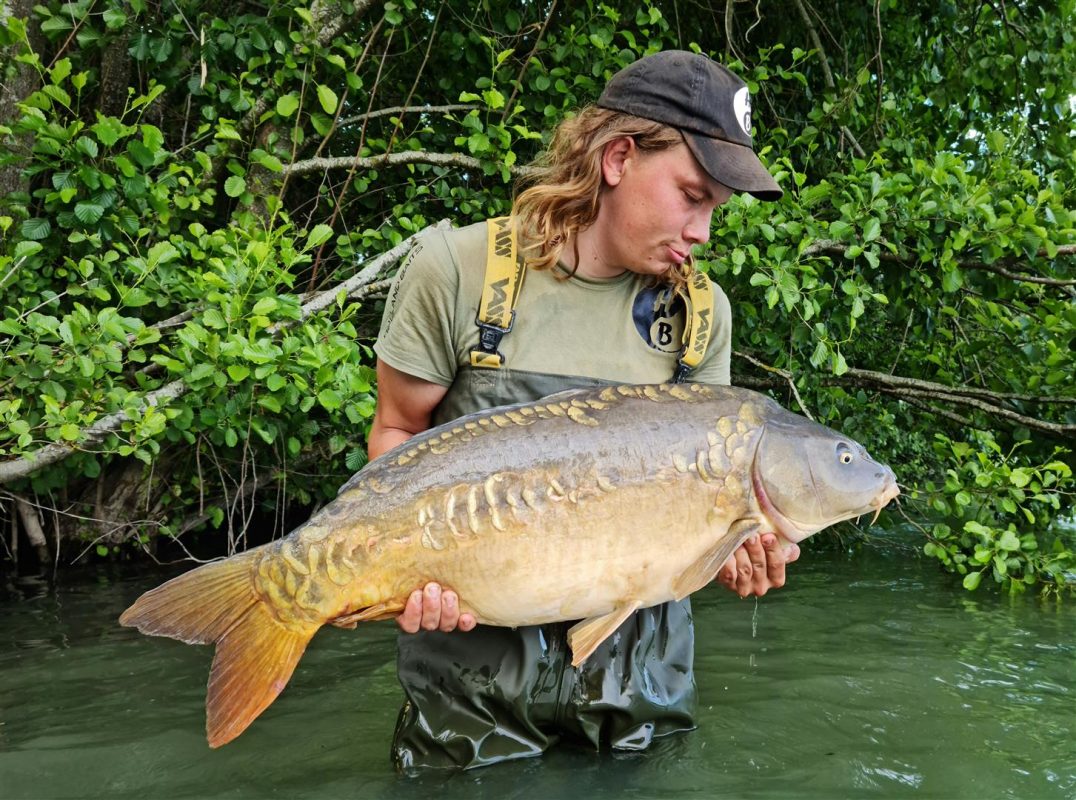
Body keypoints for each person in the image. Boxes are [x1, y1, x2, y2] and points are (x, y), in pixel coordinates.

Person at [368, 50, 798, 771]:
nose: (703, 234)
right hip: (470, 687)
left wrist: (738, 554)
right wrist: (410, 570)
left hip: (635, 695)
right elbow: (397, 433)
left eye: (715, 210)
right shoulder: (460, 271)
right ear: (619, 157)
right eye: (692, 196)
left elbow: (695, 519)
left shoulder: (701, 317)